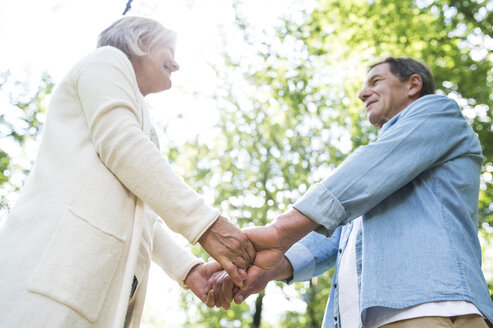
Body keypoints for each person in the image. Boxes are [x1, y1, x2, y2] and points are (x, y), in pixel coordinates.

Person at [0, 16, 255, 328]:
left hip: (99, 294)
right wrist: (205, 224)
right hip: (54, 276)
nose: (176, 65)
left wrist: (187, 270)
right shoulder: (106, 61)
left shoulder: (143, 121)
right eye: (169, 50)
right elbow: (121, 143)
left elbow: (143, 215)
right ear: (140, 40)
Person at [209, 57, 493, 327]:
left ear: (413, 84)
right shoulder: (366, 189)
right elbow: (326, 242)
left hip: (430, 309)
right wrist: (261, 266)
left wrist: (281, 230)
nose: (362, 93)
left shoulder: (438, 113)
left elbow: (370, 169)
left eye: (375, 81)